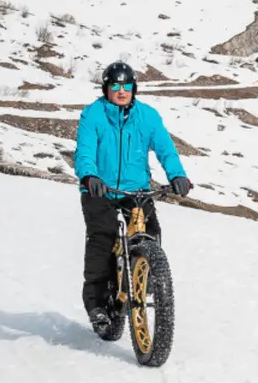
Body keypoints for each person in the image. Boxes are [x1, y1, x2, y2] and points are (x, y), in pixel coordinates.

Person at [74, 60, 192, 336]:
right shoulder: (93, 115)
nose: (121, 89)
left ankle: (147, 278)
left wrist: (178, 175)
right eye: (115, 84)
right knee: (102, 239)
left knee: (151, 231)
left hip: (135, 190)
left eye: (126, 84)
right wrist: (90, 176)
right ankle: (97, 305)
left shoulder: (148, 116)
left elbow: (165, 149)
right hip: (98, 189)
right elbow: (85, 151)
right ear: (106, 87)